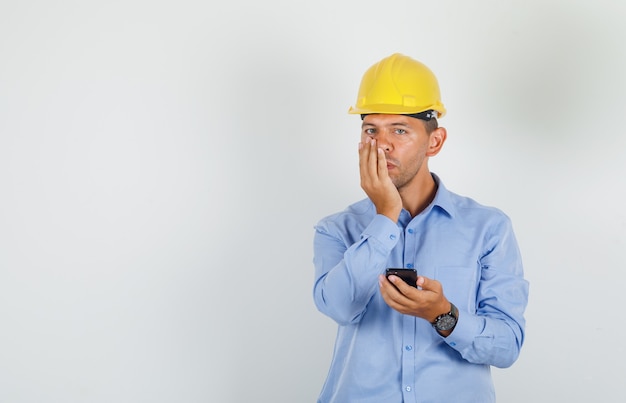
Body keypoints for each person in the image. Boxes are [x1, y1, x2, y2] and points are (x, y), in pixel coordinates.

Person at [312, 53, 529, 403]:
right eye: (371, 130)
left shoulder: (488, 229)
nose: (382, 144)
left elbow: (506, 347)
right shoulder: (337, 229)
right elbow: (339, 307)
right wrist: (384, 217)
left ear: (435, 142)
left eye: (399, 130)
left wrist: (441, 314)